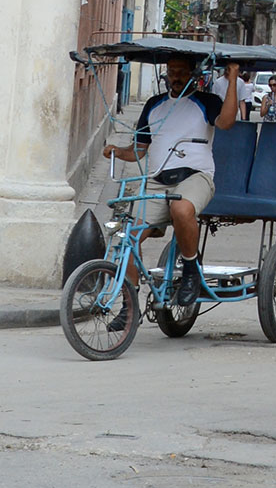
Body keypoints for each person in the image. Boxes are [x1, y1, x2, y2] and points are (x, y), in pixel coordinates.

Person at [102, 58, 242, 326]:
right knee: (126, 236)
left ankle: (191, 270)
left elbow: (226, 123)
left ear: (193, 75)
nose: (176, 78)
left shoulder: (206, 101)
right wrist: (117, 152)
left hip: (196, 177)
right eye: (172, 73)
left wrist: (233, 77)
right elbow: (139, 150)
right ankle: (129, 307)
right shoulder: (154, 105)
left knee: (181, 208)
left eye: (182, 73)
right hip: (157, 181)